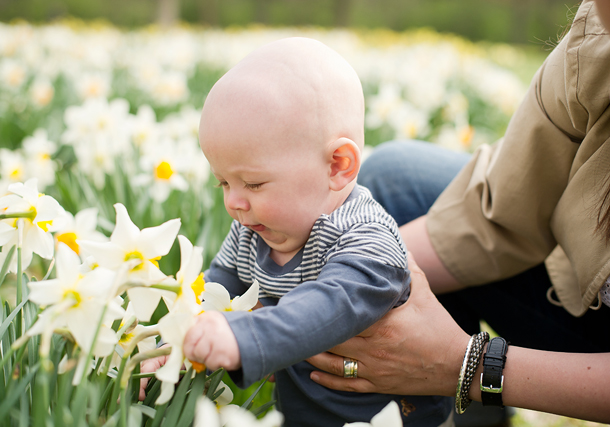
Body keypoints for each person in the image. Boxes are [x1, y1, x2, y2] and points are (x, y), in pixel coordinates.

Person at [305, 0, 610, 424]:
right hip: (588, 301)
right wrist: (315, 287)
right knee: (398, 186)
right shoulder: (598, 37)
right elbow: (494, 210)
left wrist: (464, 366)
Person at [142, 37, 453, 426]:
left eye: (253, 184)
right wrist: (169, 341)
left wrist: (244, 337)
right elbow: (216, 288)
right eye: (223, 183)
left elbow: (327, 306)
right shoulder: (257, 231)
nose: (234, 203)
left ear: (337, 166)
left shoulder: (368, 239)